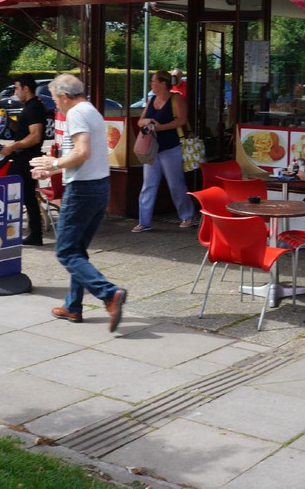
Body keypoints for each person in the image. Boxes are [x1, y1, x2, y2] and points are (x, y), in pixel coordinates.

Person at [30, 74, 127, 331]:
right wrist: (50, 171)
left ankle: (109, 294)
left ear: (64, 96)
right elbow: (81, 158)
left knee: (65, 251)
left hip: (83, 191)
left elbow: (82, 153)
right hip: (99, 187)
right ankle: (73, 306)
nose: (54, 105)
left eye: (54, 99)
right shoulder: (92, 111)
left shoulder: (76, 114)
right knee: (78, 249)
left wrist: (52, 164)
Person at [132, 70, 196, 232]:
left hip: (170, 147)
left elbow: (181, 120)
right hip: (152, 149)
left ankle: (187, 215)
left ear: (162, 84)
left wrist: (160, 127)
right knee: (148, 185)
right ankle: (144, 221)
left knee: (176, 184)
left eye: (153, 81)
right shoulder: (152, 99)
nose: (151, 84)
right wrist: (146, 121)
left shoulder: (176, 99)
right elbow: (140, 122)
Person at [0, 75, 45, 245]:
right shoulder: (30, 107)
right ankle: (34, 234)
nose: (15, 92)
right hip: (24, 157)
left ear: (26, 89)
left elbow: (35, 136)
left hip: (26, 159)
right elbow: (27, 131)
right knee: (27, 197)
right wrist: (11, 125)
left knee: (18, 194)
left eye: (17, 88)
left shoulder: (33, 108)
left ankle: (14, 231)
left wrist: (12, 146)